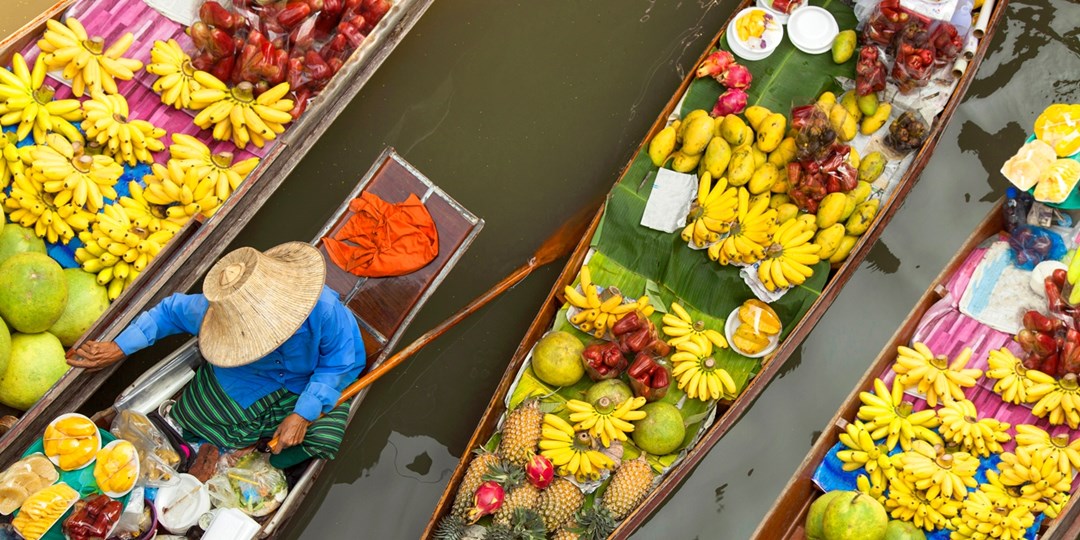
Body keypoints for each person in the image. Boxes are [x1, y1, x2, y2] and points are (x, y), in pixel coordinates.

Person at [69, 242, 366, 469]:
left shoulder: (324, 310)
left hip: (311, 379)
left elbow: (338, 363)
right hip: (249, 375)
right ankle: (241, 444)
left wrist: (302, 413)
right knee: (194, 417)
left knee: (324, 436)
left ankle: (267, 459)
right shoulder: (216, 313)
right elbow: (168, 312)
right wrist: (119, 347)